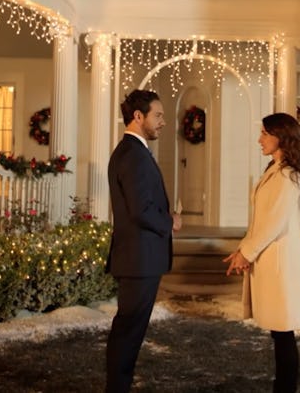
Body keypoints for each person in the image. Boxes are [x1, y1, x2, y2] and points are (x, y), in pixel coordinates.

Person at [224, 112, 300, 393]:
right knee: (280, 333)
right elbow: (261, 219)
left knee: (284, 333)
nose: (259, 139)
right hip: (272, 259)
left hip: (281, 264)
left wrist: (246, 253)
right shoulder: (275, 170)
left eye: (264, 134)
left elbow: (273, 222)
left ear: (280, 136)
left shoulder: (288, 176)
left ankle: (285, 389)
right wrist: (243, 248)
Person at [105, 89, 182, 393]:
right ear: (138, 116)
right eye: (158, 115)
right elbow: (141, 210)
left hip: (139, 257)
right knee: (128, 331)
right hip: (139, 259)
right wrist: (170, 221)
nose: (163, 121)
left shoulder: (132, 152)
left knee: (128, 330)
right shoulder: (133, 155)